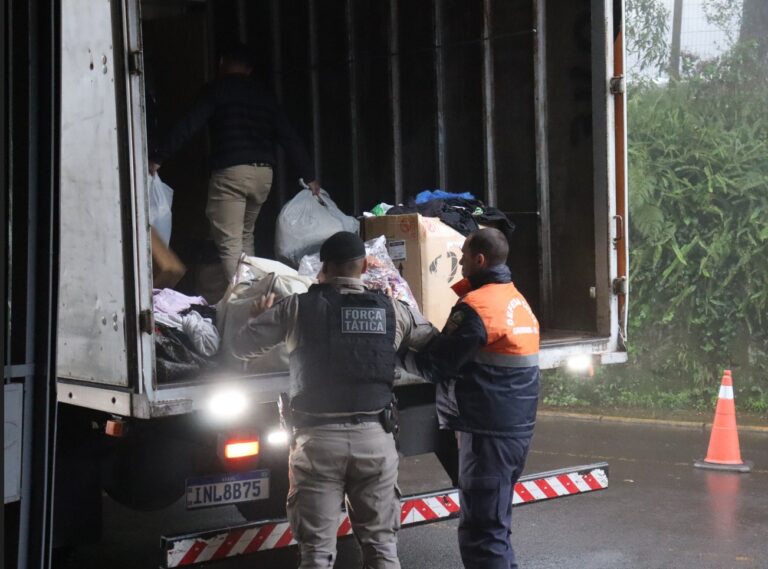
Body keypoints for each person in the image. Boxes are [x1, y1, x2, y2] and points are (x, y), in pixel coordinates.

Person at [232, 231, 436, 569]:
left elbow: (242, 347)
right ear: (364, 266)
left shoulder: (296, 307)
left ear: (323, 268)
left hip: (317, 444)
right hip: (376, 439)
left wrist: (254, 317)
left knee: (316, 555)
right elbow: (430, 339)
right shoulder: (392, 309)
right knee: (382, 549)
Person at [412, 227, 540, 569]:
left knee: (482, 534)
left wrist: (401, 353)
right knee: (495, 527)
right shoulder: (514, 298)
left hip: (488, 435)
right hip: (512, 429)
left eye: (464, 256)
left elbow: (437, 365)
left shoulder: (477, 307)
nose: (460, 262)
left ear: (479, 260)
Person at [148, 43, 321, 280]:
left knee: (230, 242)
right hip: (263, 176)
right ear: (249, 70)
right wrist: (309, 174)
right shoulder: (264, 96)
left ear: (221, 63)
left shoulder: (217, 90)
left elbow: (189, 124)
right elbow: (288, 135)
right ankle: (252, 291)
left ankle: (244, 300)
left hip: (232, 173)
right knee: (245, 236)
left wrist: (159, 157)